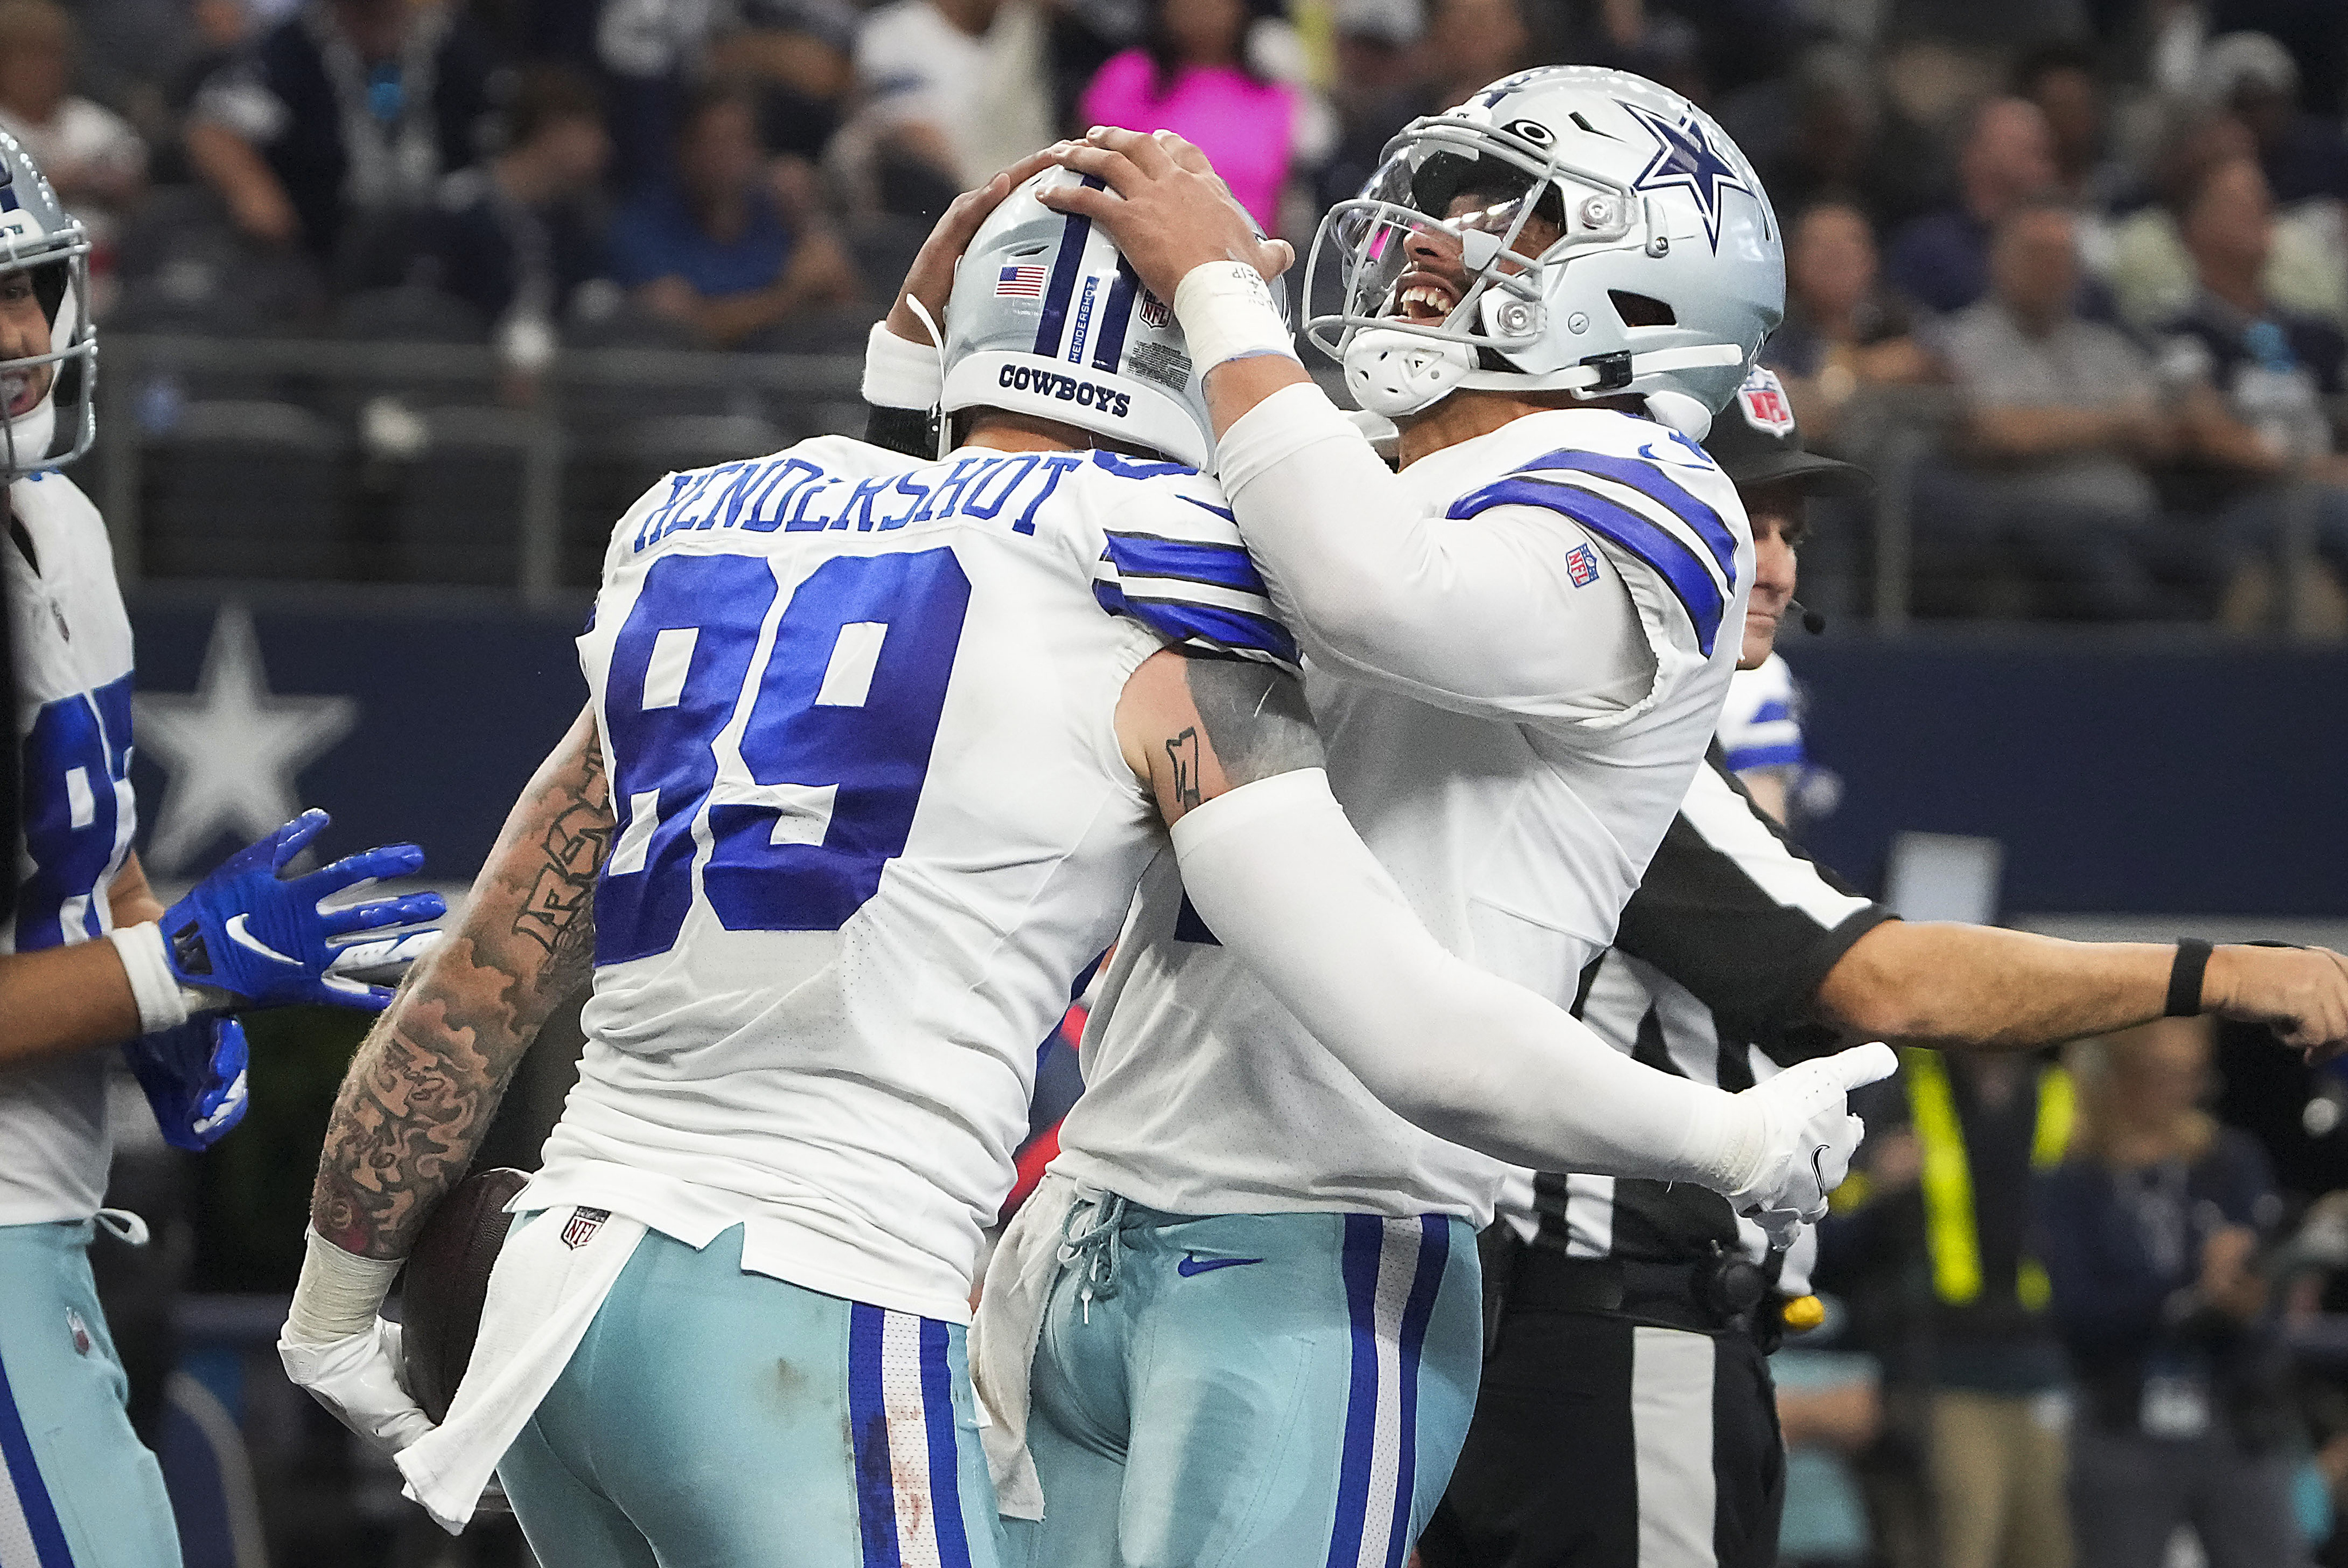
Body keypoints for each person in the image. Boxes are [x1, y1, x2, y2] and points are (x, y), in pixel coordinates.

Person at [276, 159, 1881, 1565]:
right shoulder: (1160, 580)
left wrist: (335, 1314)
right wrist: (1724, 1139)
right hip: (822, 1299)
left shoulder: (696, 527)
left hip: (564, 1292)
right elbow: (1410, 1021)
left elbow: (484, 972)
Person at [968, 66, 1793, 1567]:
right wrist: (951, 351)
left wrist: (1220, 292)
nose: (1432, 234)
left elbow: (1384, 591)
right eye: (1445, 195)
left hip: (1322, 1237)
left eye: (1509, 212)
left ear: (1653, 275)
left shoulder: (1655, 486)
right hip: (1089, 1202)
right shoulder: (1324, 463)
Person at [1410, 375, 2348, 1568]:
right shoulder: (1621, 765)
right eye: (1744, 520)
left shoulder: (1596, 746)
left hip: (1624, 1333)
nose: (1776, 565)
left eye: (1790, 534)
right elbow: (1893, 984)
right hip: (1615, 1336)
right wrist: (2216, 974)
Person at [0, 128, 439, 1567]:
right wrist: (169, 972)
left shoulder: (55, 527)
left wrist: (165, 989)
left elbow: (93, 850)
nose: (22, 333)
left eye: (29, 290)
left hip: (47, 1207)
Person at [2041, 1018, 2312, 1568]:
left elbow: (2264, 1283)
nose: (2178, 1093)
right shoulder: (2074, 1179)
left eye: (2192, 1076)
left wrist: (2254, 1291)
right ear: (2115, 1074)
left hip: (2233, 1414)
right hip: (2123, 1418)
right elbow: (2076, 1312)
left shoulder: (2229, 1161)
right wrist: (2187, 1291)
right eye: (2160, 1074)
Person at [1932, 200, 2186, 621]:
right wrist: (2116, 422)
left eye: (2063, 257)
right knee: (2122, 589)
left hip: (2135, 519)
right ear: (1999, 262)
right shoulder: (1961, 342)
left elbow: (2161, 436)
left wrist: (2062, 429)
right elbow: (2004, 434)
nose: (2052, 269)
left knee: (2220, 555)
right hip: (2038, 525)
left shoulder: (2108, 348)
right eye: (2037, 255)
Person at [2162, 154, 2348, 622]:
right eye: (2235, 203)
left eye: (2262, 201)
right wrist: (2318, 470)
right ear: (2193, 233)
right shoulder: (2176, 333)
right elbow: (2208, 433)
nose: (2259, 210)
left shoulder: (2314, 333)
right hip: (2239, 507)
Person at [184, 0, 498, 258]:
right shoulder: (294, 48)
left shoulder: (456, 47)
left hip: (443, 245)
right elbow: (215, 127)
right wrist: (252, 190)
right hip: (320, 243)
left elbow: (507, 130)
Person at [608, 80, 855, 349]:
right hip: (688, 383)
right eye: (714, 142)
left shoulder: (780, 214)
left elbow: (844, 307)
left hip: (777, 378)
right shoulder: (643, 226)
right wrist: (791, 297)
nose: (728, 156)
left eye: (741, 141)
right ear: (683, 149)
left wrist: (808, 222)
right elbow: (688, 326)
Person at [418, 64, 612, 352]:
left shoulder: (573, 221)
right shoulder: (460, 208)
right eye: (592, 131)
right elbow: (430, 308)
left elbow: (588, 304)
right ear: (554, 129)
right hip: (463, 373)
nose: (605, 148)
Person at [1078, 0, 1300, 230]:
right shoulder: (1128, 78)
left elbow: (1280, 201)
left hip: (1248, 256)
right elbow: (1090, 171)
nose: (1200, 9)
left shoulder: (1273, 95)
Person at [1762, 200, 1934, 450]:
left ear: (1873, 258)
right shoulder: (1769, 329)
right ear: (1792, 259)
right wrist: (1853, 374)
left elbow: (1934, 371)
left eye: (1850, 244)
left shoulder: (1900, 319)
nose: (1835, 255)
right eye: (1818, 246)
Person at [0, 0, 144, 289]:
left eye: (52, 55)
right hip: (21, 278)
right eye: (27, 55)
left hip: (110, 275)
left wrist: (115, 186)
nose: (42, 69)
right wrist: (54, 183)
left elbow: (140, 199)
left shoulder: (99, 126)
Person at [1883, 98, 2057, 317]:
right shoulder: (1927, 250)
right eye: (2033, 152)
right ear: (1976, 154)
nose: (2047, 170)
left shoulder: (2061, 249)